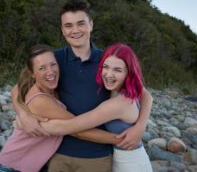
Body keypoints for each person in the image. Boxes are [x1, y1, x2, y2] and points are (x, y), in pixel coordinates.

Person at [12, 0, 153, 172]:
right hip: (58, 153)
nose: (75, 30)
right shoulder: (54, 60)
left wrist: (140, 126)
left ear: (91, 25)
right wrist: (23, 115)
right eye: (68, 25)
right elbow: (19, 87)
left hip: (97, 156)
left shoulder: (107, 61)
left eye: (81, 23)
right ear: (62, 30)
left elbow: (144, 93)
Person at [0, 45, 122, 172]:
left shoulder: (51, 88)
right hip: (12, 166)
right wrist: (120, 139)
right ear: (32, 74)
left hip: (33, 166)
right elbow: (77, 130)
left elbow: (17, 87)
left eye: (53, 65)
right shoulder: (40, 100)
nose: (50, 71)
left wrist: (22, 113)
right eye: (42, 68)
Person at [41, 43, 153, 172]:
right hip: (122, 158)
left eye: (117, 70)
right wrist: (141, 126)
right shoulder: (125, 90)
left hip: (132, 164)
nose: (109, 74)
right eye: (106, 67)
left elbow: (73, 126)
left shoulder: (119, 104)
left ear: (129, 72)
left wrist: (39, 124)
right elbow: (147, 96)